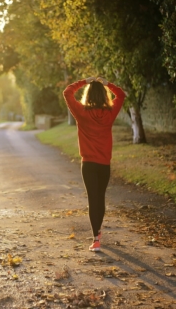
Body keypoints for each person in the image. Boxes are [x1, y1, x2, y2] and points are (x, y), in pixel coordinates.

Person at [63, 76, 126, 252]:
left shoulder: (81, 112)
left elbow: (67, 92)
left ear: (88, 95)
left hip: (88, 164)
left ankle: (96, 238)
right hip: (104, 164)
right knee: (101, 197)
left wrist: (84, 81)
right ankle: (98, 233)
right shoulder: (110, 112)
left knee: (93, 199)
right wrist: (108, 84)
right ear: (104, 95)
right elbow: (121, 95)